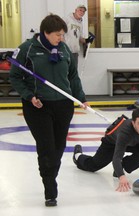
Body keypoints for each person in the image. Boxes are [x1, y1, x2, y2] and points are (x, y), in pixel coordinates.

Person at [9, 14, 89, 207]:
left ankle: (50, 173)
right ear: (45, 32)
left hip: (63, 105)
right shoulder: (27, 49)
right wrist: (29, 95)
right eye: (57, 34)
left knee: (59, 147)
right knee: (47, 147)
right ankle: (50, 187)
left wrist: (81, 97)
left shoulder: (63, 49)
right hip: (38, 106)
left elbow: (73, 76)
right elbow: (15, 77)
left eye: (62, 34)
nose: (60, 38)